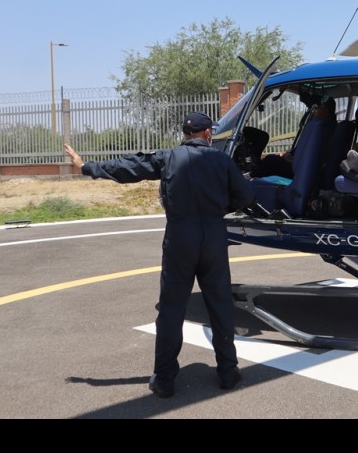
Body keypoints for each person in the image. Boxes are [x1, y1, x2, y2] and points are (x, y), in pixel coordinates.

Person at [64, 111, 254, 399]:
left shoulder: (168, 158)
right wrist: (220, 208)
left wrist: (87, 167)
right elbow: (246, 196)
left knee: (171, 309)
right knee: (220, 304)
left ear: (186, 134)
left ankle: (164, 379)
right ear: (207, 134)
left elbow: (130, 166)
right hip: (213, 236)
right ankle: (228, 372)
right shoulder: (222, 160)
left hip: (180, 237)